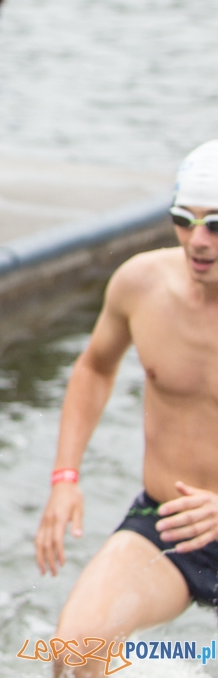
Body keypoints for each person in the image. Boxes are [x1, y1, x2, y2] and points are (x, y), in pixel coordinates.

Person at [35, 140, 218, 677]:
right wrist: (65, 477)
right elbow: (95, 367)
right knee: (75, 653)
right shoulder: (141, 284)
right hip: (172, 524)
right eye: (184, 221)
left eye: (217, 225)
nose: (198, 241)